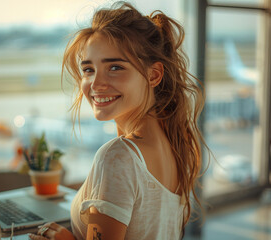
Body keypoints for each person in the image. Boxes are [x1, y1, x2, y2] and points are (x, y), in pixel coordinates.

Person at [30, 2, 206, 239]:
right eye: (89, 69)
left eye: (114, 67)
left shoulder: (118, 156)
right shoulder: (174, 145)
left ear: (154, 75)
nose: (95, 84)